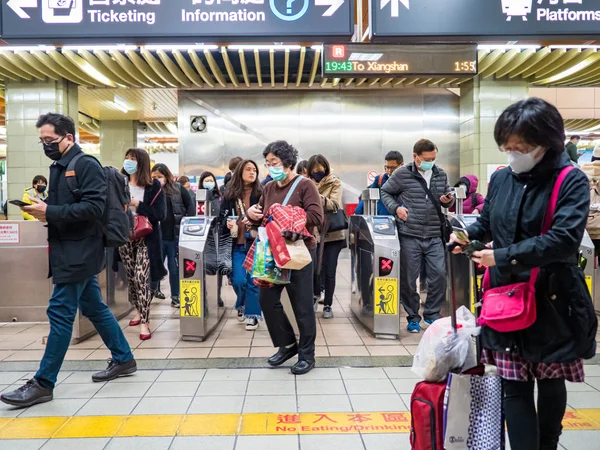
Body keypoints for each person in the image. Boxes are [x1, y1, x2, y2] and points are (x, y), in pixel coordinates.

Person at [449, 97, 595, 450]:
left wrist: (500, 256)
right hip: (504, 298)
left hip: (552, 298)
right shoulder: (501, 178)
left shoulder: (569, 181)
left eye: (522, 147)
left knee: (549, 380)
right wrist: (467, 237)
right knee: (512, 386)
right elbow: (486, 221)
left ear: (548, 142)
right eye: (507, 146)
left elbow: (562, 241)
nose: (513, 153)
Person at [1, 113, 136, 408]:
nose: (46, 145)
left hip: (79, 252)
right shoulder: (58, 167)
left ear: (69, 138)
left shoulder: (84, 165)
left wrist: (50, 212)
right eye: (42, 141)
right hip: (68, 249)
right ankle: (124, 359)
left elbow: (93, 208)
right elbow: (69, 207)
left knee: (60, 313)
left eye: (50, 140)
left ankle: (43, 382)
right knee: (94, 307)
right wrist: (45, 208)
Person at [246, 141, 324, 375]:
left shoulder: (305, 185)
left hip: (298, 250)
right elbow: (263, 215)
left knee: (302, 305)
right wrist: (251, 214)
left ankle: (307, 355)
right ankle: (288, 344)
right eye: (268, 163)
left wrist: (292, 222)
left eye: (275, 163)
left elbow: (316, 216)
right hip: (273, 252)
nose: (271, 167)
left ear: (288, 163)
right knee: (266, 299)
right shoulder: (268, 187)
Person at [381, 139, 454, 333]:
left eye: (433, 158)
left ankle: (431, 314)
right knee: (408, 279)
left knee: (439, 275)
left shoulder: (440, 174)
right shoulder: (402, 173)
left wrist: (447, 201)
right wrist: (396, 209)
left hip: (434, 234)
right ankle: (413, 317)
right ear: (415, 157)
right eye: (427, 159)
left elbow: (445, 200)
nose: (431, 162)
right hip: (410, 234)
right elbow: (385, 192)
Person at [120, 148, 166, 341]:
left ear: (142, 163)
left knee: (142, 278)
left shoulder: (153, 186)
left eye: (133, 159)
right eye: (127, 158)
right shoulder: (119, 182)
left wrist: (137, 204)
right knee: (131, 278)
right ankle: (139, 310)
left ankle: (145, 322)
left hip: (146, 237)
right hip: (124, 236)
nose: (129, 162)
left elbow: (159, 214)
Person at [220, 160, 263, 330]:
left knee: (253, 280)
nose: (252, 172)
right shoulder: (230, 194)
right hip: (236, 244)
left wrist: (256, 219)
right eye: (248, 169)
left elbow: (268, 215)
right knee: (238, 280)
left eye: (254, 169)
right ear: (240, 172)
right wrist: (227, 223)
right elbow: (221, 218)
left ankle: (252, 315)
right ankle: (242, 303)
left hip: (256, 243)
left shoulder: (262, 192)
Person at [151, 163, 195, 308]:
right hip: (157, 236)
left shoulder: (177, 188)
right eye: (154, 177)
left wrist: (186, 223)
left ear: (166, 176)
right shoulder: (150, 190)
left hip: (174, 235)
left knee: (174, 267)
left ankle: (176, 296)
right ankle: (151, 291)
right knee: (154, 266)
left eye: (159, 176)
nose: (157, 179)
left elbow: (190, 205)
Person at [307, 154, 345, 319]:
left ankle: (328, 304)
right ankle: (315, 297)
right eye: (314, 170)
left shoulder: (335, 182)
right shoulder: (305, 183)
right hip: (313, 234)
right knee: (315, 269)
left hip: (333, 233)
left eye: (320, 169)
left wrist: (314, 195)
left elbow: (334, 205)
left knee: (330, 270)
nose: (317, 172)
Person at [355, 151, 404, 215]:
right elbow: (369, 196)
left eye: (393, 168)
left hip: (403, 221)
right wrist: (357, 213)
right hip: (383, 221)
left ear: (402, 165)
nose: (389, 171)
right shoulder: (380, 180)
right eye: (387, 167)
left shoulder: (409, 181)